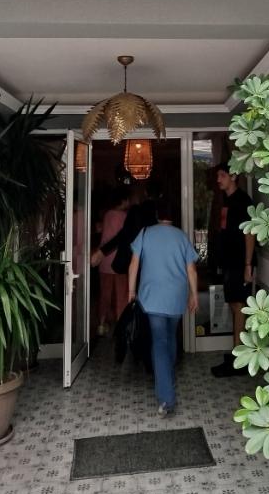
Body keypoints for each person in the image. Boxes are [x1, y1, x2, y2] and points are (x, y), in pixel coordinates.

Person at [128, 198, 199, 416]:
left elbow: (134, 263)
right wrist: (194, 295)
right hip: (176, 296)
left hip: (153, 296)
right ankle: (167, 379)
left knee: (159, 341)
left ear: (157, 215)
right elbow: (191, 270)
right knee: (170, 338)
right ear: (173, 216)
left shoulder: (145, 234)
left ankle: (166, 397)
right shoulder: (181, 236)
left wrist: (131, 290)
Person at [211, 162, 255, 378]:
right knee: (233, 305)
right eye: (218, 175)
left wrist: (248, 265)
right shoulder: (227, 201)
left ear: (233, 176)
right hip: (229, 262)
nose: (218, 179)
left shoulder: (243, 201)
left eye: (222, 175)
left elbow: (250, 234)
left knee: (239, 306)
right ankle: (236, 352)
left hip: (239, 263)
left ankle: (241, 359)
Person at [91, 186, 131, 335]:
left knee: (105, 295)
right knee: (121, 296)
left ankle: (101, 324)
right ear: (124, 200)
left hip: (104, 260)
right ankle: (121, 326)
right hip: (120, 262)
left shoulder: (107, 215)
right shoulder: (125, 217)